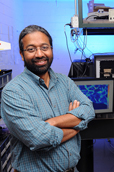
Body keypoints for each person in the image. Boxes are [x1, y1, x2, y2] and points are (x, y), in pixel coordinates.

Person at [1, 25, 95, 172]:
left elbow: (89, 109)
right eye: (31, 49)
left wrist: (52, 123)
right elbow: (39, 139)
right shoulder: (13, 91)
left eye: (44, 47)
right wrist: (76, 124)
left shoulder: (64, 82)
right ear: (21, 54)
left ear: (51, 49)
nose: (39, 54)